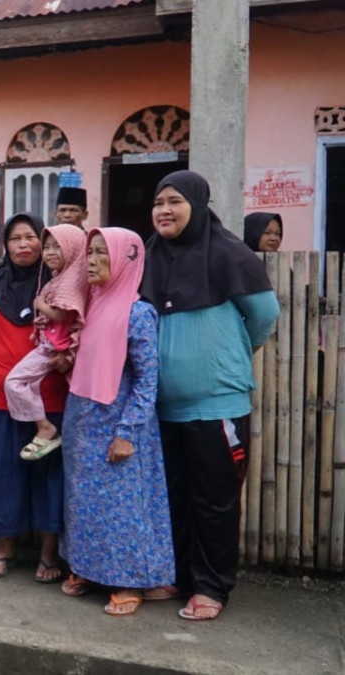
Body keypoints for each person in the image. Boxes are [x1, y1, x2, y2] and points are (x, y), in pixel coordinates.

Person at [142, 171, 279, 621]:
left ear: (198, 205)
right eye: (159, 202)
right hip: (163, 407)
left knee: (214, 498)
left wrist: (233, 356)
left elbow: (263, 316)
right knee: (173, 495)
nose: (164, 210)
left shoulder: (228, 253)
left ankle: (211, 586)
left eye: (175, 201)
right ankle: (179, 575)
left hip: (216, 404)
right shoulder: (150, 255)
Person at [60, 227, 175, 617]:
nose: (90, 261)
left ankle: (130, 580)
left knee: (123, 507)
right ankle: (90, 570)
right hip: (84, 418)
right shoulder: (90, 305)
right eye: (89, 253)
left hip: (118, 421)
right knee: (85, 502)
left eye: (100, 254)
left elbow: (147, 380)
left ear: (125, 259)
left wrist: (127, 433)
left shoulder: (138, 313)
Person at [0, 213, 68, 582]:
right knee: (0, 473)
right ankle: (4, 548)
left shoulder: (60, 284)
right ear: (4, 246)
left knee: (48, 476)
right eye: (14, 239)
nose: (24, 244)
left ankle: (48, 555)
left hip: (49, 398)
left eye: (30, 237)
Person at [4, 224, 88, 460]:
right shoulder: (59, 278)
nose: (50, 252)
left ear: (72, 249)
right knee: (24, 382)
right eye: (47, 247)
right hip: (50, 346)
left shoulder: (72, 283)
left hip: (53, 348)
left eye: (57, 247)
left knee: (14, 382)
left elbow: (62, 314)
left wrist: (40, 305)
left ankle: (45, 427)